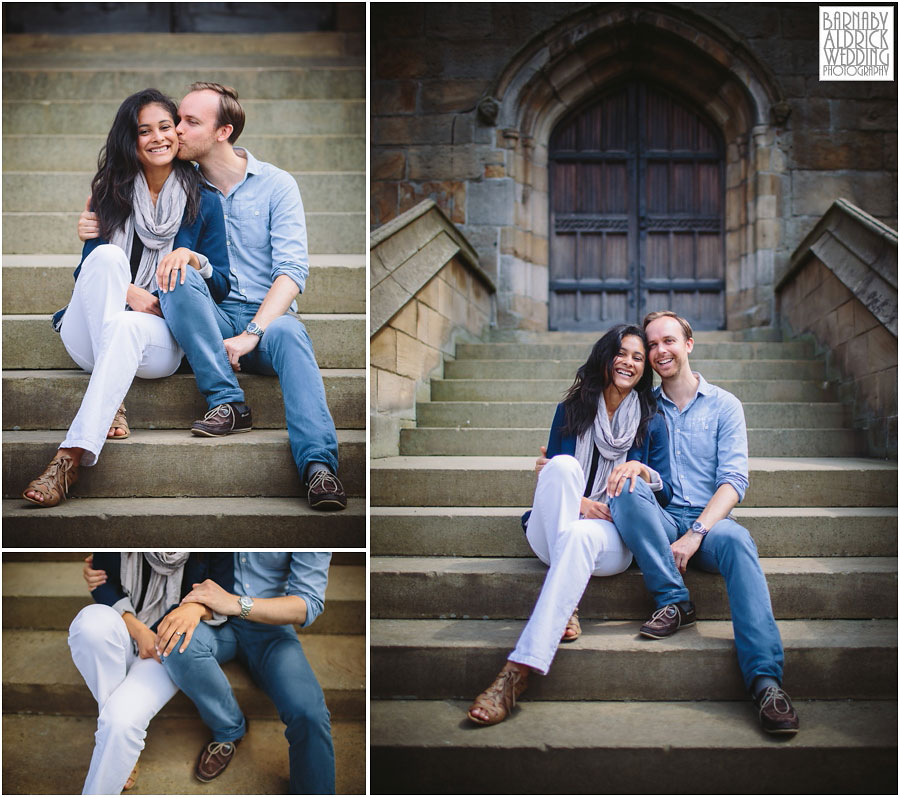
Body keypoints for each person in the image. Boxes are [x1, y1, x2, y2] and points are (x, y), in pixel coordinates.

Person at [77, 82, 346, 510]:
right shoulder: (181, 184)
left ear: (223, 131)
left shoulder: (277, 185)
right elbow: (127, 201)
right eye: (176, 119)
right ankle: (227, 401)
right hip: (204, 317)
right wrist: (94, 227)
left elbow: (292, 272)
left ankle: (319, 469)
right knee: (180, 275)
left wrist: (253, 333)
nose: (175, 130)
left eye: (188, 122)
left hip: (267, 319)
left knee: (292, 338)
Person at [22, 88, 229, 507]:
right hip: (91, 334)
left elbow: (222, 284)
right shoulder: (109, 190)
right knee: (107, 258)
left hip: (154, 338)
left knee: (126, 325)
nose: (158, 138)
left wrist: (194, 260)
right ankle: (111, 400)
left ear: (177, 133)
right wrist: (128, 290)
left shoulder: (204, 200)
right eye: (144, 130)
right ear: (130, 139)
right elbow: (90, 273)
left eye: (166, 127)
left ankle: (69, 456)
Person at [467, 324, 673, 726]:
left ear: (642, 368)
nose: (629, 362)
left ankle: (514, 674)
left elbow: (663, 495)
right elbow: (554, 482)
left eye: (636, 356)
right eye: (622, 353)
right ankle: (568, 603)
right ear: (605, 356)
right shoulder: (571, 409)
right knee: (560, 467)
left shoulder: (652, 420)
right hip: (552, 527)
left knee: (578, 535)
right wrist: (579, 501)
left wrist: (639, 472)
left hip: (609, 536)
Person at [609, 310, 799, 734]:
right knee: (623, 485)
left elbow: (734, 481)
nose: (660, 351)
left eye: (668, 341)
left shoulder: (725, 405)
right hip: (660, 517)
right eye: (652, 344)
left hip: (709, 524)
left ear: (688, 344)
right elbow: (613, 455)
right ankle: (675, 600)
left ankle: (767, 683)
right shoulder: (640, 407)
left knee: (739, 542)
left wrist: (697, 534)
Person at [157, 552, 335, 792]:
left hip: (270, 628)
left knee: (309, 713)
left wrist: (236, 604)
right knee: (175, 642)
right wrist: (110, 567)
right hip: (214, 620)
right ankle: (230, 728)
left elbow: (309, 603)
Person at [71, 552, 232, 794]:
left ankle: (118, 750)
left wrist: (196, 609)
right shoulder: (120, 529)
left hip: (167, 646)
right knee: (91, 624)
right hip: (124, 627)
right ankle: (118, 749)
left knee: (120, 721)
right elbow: (101, 583)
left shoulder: (212, 540)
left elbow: (224, 596)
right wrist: (139, 631)